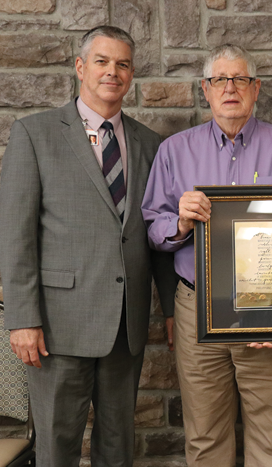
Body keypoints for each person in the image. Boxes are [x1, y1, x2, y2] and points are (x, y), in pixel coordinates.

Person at [0, 26, 173, 466]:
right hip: (56, 329)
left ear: (131, 74)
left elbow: (158, 237)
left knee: (118, 449)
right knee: (56, 448)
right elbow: (14, 234)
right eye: (101, 61)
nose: (111, 72)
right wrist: (22, 319)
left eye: (122, 64)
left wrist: (171, 312)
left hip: (125, 327)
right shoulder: (34, 135)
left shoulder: (149, 144)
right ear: (80, 67)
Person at [141, 45, 272, 466]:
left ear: (256, 89)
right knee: (204, 435)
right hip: (196, 304)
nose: (230, 88)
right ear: (206, 89)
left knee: (271, 434)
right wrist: (181, 223)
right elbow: (153, 229)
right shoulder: (174, 151)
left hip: (268, 307)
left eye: (240, 79)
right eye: (220, 80)